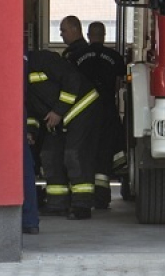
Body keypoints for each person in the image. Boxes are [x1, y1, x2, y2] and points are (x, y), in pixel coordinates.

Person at [26, 49, 100, 220]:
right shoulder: (19, 76)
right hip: (56, 118)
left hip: (82, 106)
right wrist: (31, 131)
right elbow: (31, 109)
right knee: (49, 154)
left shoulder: (43, 59)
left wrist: (59, 111)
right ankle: (57, 204)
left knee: (74, 154)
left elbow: (71, 79)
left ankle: (82, 205)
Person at [70, 21, 127, 209]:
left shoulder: (76, 56)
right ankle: (102, 197)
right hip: (107, 110)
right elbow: (120, 83)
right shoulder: (115, 57)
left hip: (83, 110)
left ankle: (83, 195)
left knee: (85, 151)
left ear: (88, 34)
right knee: (104, 153)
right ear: (104, 35)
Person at [22, 50, 40, 235]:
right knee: (25, 168)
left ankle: (28, 220)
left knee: (23, 167)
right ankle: (30, 220)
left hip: (10, 109)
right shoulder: (25, 56)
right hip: (19, 109)